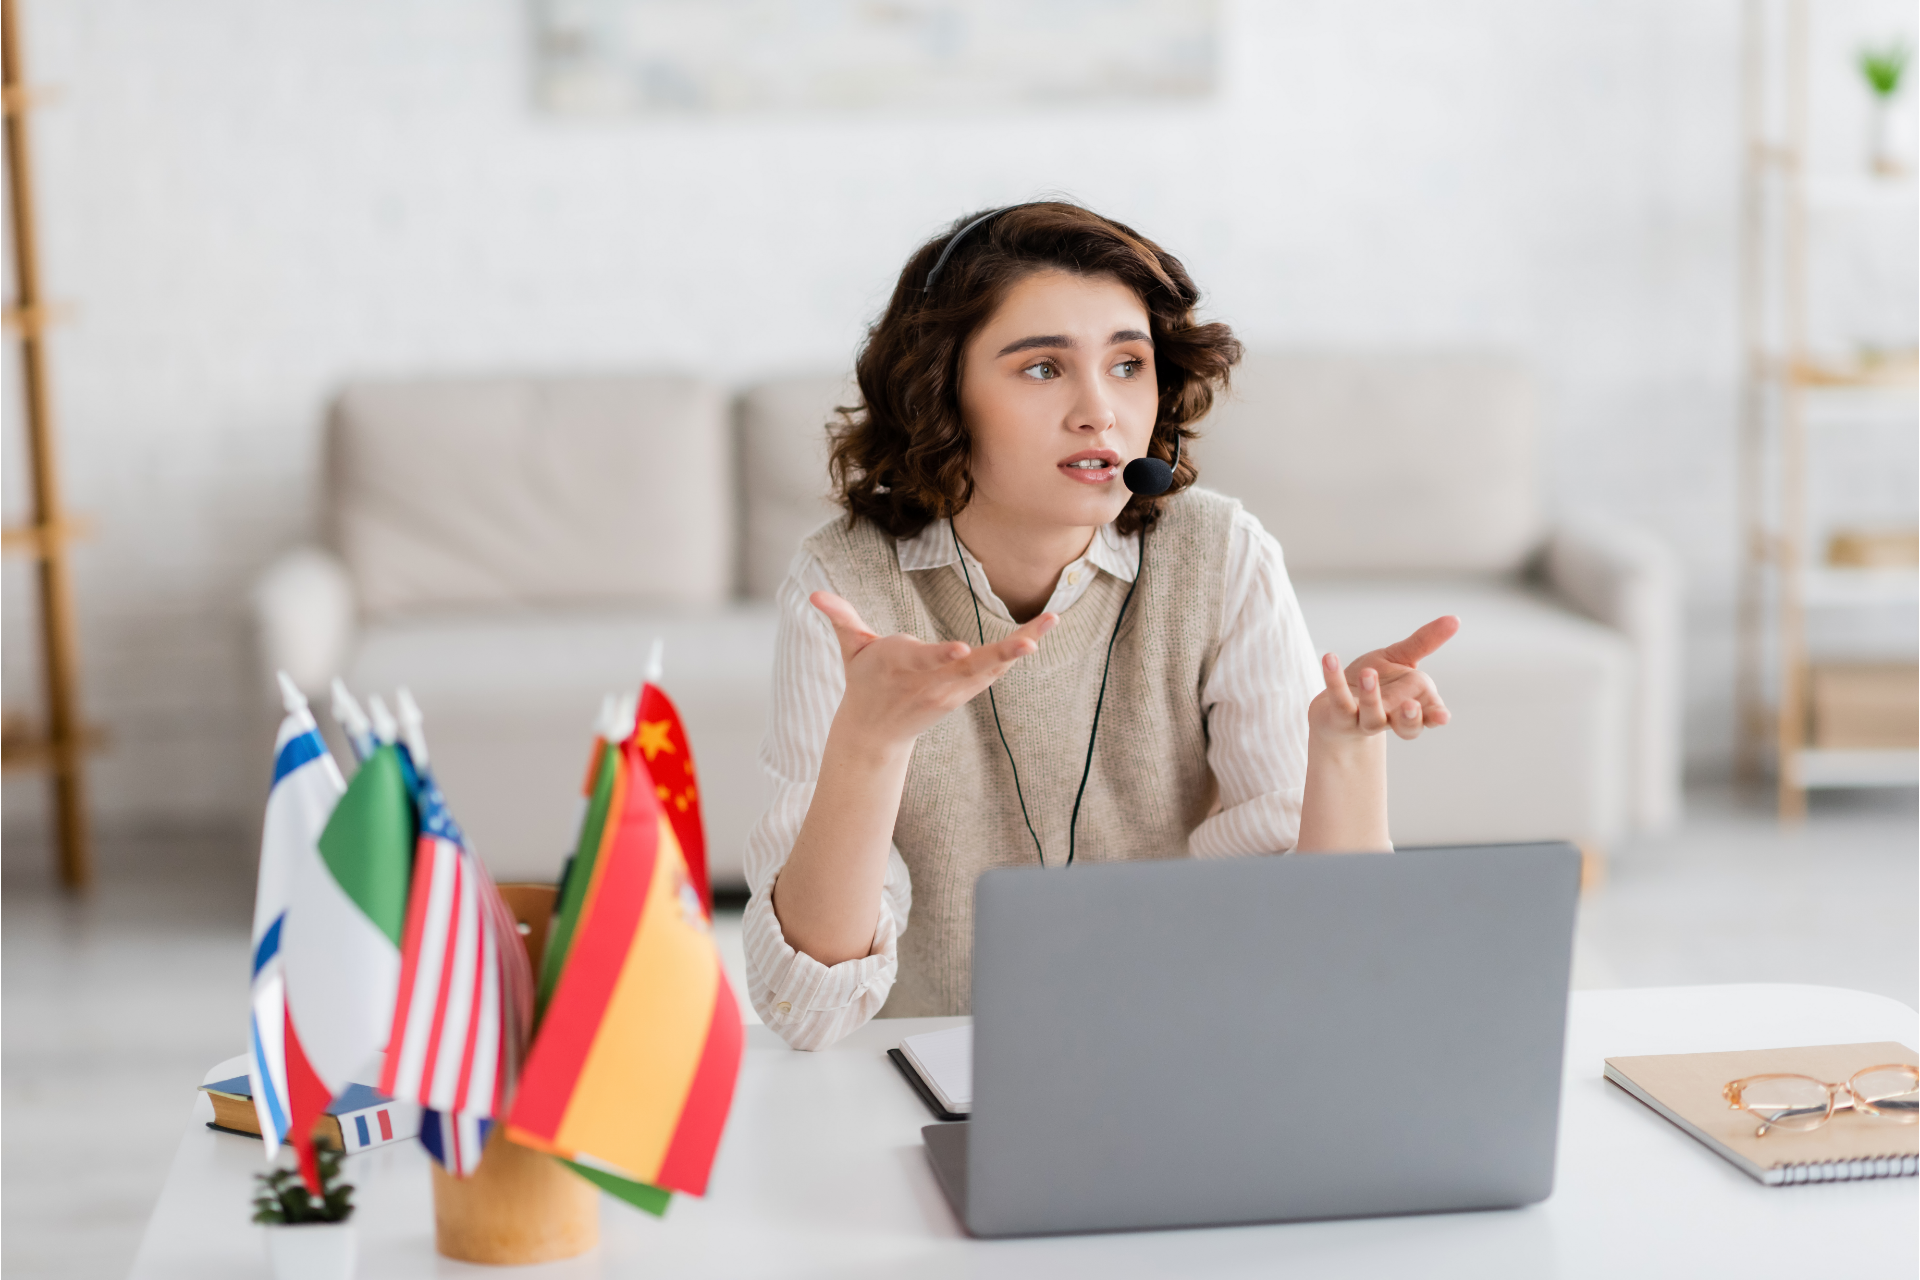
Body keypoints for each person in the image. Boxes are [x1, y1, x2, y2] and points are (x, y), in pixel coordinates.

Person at [743, 202, 1456, 1050]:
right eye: (1043, 369)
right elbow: (805, 1013)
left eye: (1127, 364)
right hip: (924, 1068)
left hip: (1181, 1058)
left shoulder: (1221, 555)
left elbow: (1336, 963)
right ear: (940, 392)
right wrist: (869, 741)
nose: (1099, 412)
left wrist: (1345, 748)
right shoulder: (843, 586)